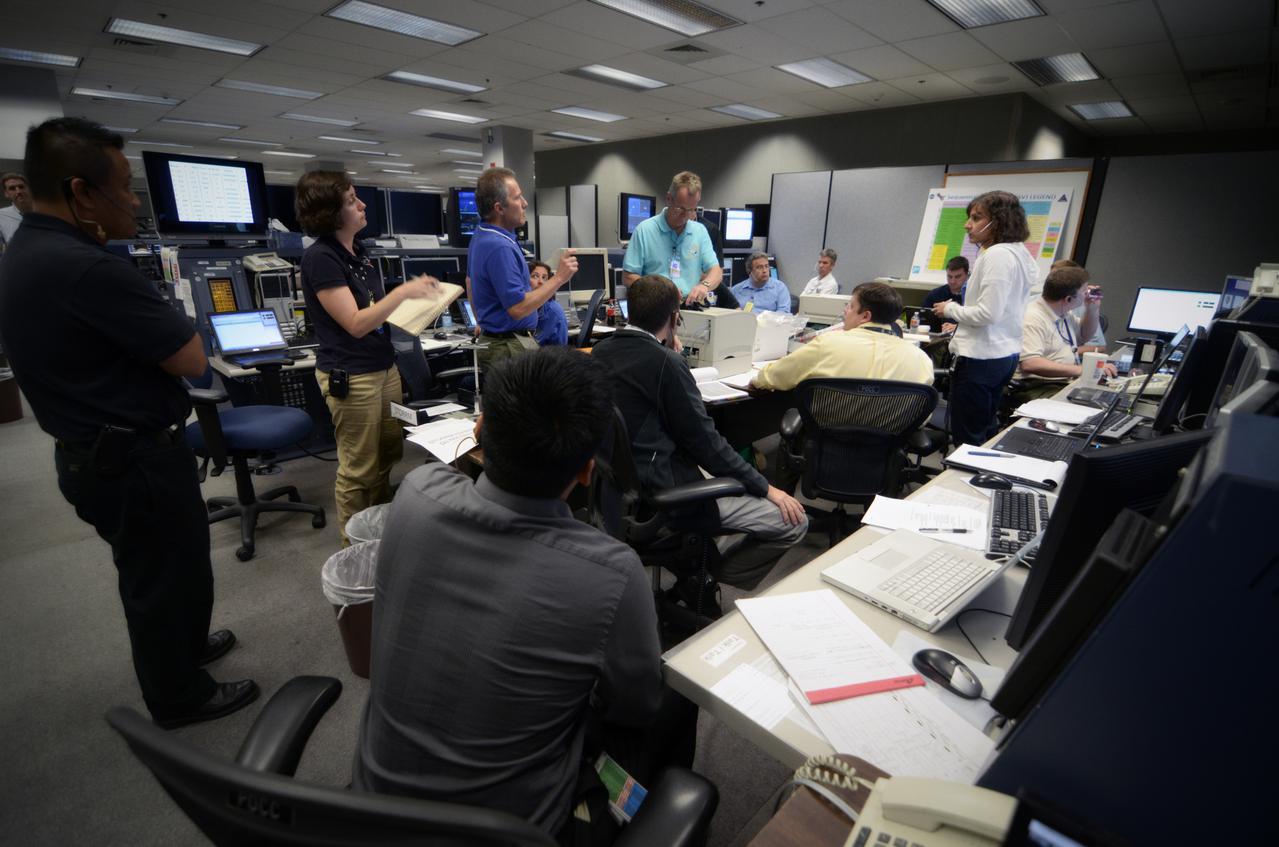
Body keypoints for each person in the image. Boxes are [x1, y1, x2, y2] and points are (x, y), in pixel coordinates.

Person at [354, 347, 693, 842]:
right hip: (519, 831)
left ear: (479, 432)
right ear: (585, 471)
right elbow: (634, 707)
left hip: (369, 812)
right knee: (677, 694)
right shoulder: (612, 573)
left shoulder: (416, 492)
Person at [0, 117, 257, 728]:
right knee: (159, 577)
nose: (135, 202)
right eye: (123, 185)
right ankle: (178, 696)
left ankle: (185, 649)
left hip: (94, 450)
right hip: (130, 457)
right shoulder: (88, 268)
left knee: (174, 566)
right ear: (81, 192)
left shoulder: (24, 253)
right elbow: (192, 359)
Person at [592, 275, 808, 590]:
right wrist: (766, 488)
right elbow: (706, 444)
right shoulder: (666, 363)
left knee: (728, 474)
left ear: (629, 313)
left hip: (620, 487)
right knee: (794, 523)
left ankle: (696, 561)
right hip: (664, 492)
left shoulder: (600, 352)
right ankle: (712, 574)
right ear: (674, 317)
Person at [296, 171, 437, 544]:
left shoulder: (359, 253)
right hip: (352, 375)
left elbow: (373, 310)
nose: (361, 205)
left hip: (383, 367)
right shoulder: (320, 259)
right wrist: (404, 292)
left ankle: (379, 534)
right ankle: (354, 548)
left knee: (389, 452)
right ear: (330, 213)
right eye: (351, 200)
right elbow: (356, 324)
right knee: (359, 467)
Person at [931, 190, 1036, 447]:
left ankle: (960, 484)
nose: (968, 225)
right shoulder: (1020, 253)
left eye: (977, 218)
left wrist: (950, 309)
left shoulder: (997, 255)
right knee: (985, 430)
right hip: (1004, 355)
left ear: (999, 221)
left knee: (968, 439)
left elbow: (988, 313)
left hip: (981, 359)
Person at [470, 167, 576, 364]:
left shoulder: (482, 234)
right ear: (499, 208)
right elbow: (518, 308)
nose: (525, 203)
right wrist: (559, 278)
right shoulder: (499, 246)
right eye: (518, 198)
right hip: (508, 346)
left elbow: (470, 282)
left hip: (506, 340)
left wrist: (482, 322)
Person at [752, 282, 934, 391]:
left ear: (865, 316)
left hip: (830, 443)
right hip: (889, 449)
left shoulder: (829, 343)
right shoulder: (921, 359)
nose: (845, 312)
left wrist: (758, 378)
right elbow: (921, 417)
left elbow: (775, 376)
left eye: (850, 306)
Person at [621, 171, 723, 305]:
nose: (686, 216)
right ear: (669, 198)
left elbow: (716, 271)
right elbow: (628, 277)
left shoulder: (700, 231)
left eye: (692, 209)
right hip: (654, 307)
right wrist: (660, 291)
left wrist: (704, 285)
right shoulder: (644, 230)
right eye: (681, 209)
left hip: (689, 306)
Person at [1015, 266, 1116, 400]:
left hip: (1061, 382)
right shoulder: (1033, 318)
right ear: (1068, 299)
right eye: (1084, 291)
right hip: (1037, 385)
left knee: (1106, 399)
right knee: (1091, 408)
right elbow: (1030, 363)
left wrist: (1092, 308)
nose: (1087, 294)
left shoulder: (1063, 313)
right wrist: (1083, 370)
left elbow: (1085, 336)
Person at [920, 255, 967, 332]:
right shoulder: (935, 294)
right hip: (936, 337)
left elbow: (977, 322)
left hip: (962, 337)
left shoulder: (972, 295)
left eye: (957, 277)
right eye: (949, 276)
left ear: (966, 275)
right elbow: (922, 321)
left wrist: (957, 327)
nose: (953, 281)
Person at [529, 260, 568, 346]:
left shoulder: (554, 312)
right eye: (535, 276)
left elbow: (560, 353)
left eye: (544, 278)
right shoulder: (517, 308)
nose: (540, 282)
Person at [0, 172, 33, 245]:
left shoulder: (45, 211)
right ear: (6, 194)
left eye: (21, 187)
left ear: (28, 189)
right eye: (12, 188)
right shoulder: (1, 216)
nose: (18, 191)